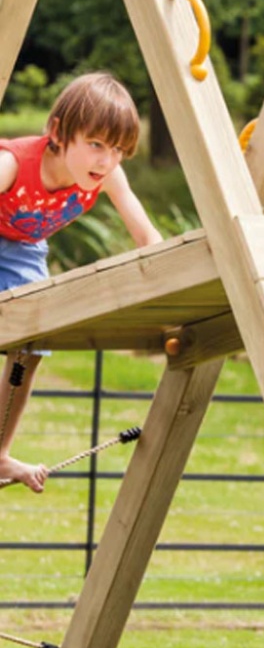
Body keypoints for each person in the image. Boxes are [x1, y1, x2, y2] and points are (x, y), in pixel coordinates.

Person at [0, 72, 163, 493]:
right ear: (58, 132)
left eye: (118, 150)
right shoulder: (13, 164)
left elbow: (147, 237)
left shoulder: (109, 176)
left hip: (24, 248)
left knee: (33, 344)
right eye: (95, 144)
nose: (106, 161)